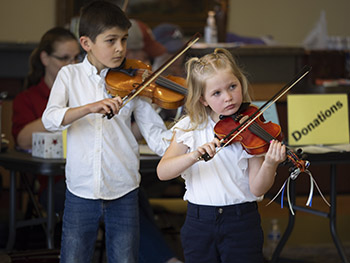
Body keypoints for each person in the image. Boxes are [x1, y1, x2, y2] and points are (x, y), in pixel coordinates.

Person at [41, 1, 172, 262]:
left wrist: (188, 138)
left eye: (123, 39)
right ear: (86, 43)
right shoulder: (69, 76)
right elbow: (50, 119)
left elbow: (156, 136)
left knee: (125, 259)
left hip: (123, 188)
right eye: (111, 40)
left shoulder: (135, 78)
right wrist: (89, 108)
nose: (120, 48)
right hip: (81, 190)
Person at [157, 48, 287, 263]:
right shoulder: (189, 127)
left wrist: (270, 164)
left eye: (232, 87)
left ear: (241, 84)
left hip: (241, 221)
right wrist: (193, 156)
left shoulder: (251, 127)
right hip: (199, 222)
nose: (228, 97)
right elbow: (163, 172)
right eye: (216, 93)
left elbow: (257, 188)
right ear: (203, 99)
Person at [127, 18, 183, 263]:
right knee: (129, 196)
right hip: (77, 181)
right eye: (144, 56)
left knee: (134, 194)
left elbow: (158, 139)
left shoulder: (144, 89)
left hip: (140, 171)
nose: (147, 64)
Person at [11, 27, 81, 213]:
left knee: (130, 194)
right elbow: (22, 139)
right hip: (56, 184)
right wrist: (67, 112)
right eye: (64, 58)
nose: (72, 64)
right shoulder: (27, 99)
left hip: (89, 177)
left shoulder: (84, 95)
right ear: (45, 59)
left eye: (76, 58)